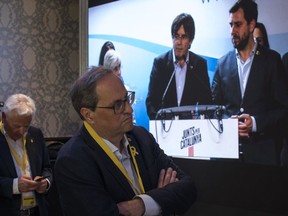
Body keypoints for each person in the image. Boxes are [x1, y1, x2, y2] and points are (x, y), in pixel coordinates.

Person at [54, 66, 197, 216]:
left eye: (127, 99)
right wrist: (162, 198)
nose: (129, 109)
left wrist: (141, 205)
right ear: (89, 115)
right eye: (117, 105)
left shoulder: (141, 137)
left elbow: (188, 187)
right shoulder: (73, 160)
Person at [211, 0, 288, 165]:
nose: (233, 31)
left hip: (262, 158)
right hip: (228, 158)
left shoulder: (272, 60)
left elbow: (283, 110)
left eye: (238, 25)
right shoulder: (222, 63)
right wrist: (229, 124)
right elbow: (213, 108)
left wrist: (255, 123)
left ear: (252, 25)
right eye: (231, 25)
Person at [146, 13, 212, 120]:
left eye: (184, 37)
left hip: (190, 130)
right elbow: (151, 103)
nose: (179, 42)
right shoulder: (160, 63)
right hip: (165, 129)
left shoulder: (199, 65)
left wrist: (199, 121)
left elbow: (207, 103)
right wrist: (160, 123)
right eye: (176, 36)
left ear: (190, 40)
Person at [0, 94, 52, 216]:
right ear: (3, 117)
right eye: (16, 126)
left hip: (37, 210)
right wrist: (14, 185)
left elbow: (47, 168)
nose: (22, 132)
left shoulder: (36, 134)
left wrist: (46, 182)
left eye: (26, 126)